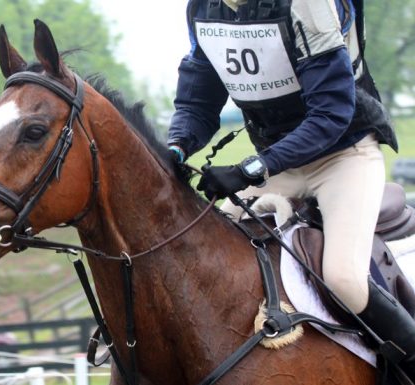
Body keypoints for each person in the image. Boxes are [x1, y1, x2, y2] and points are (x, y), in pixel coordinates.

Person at [167, 0, 414, 378]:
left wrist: (251, 168)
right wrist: (176, 147)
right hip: (278, 164)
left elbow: (331, 113)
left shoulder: (308, 5)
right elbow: (198, 102)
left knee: (343, 278)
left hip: (343, 158)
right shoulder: (203, 9)